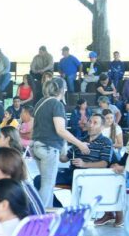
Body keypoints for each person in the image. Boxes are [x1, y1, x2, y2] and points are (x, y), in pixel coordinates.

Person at [31, 78, 91, 207]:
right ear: (62, 90)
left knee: (45, 183)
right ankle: (42, 215)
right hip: (48, 148)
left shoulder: (40, 102)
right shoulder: (56, 104)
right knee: (48, 185)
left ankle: (46, 210)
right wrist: (80, 144)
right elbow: (60, 130)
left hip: (36, 146)